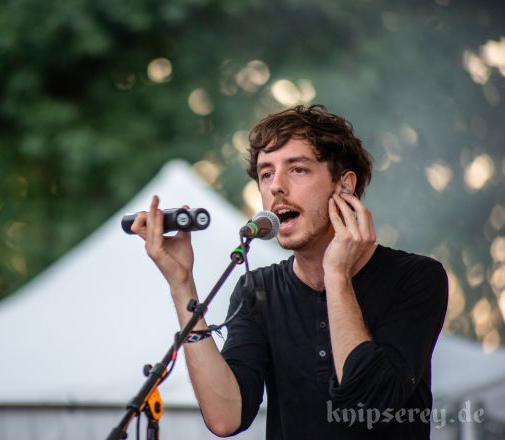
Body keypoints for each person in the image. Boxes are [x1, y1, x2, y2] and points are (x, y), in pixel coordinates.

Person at [130, 104, 448, 439]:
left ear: (344, 186)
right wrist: (182, 284)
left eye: (297, 169)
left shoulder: (417, 277)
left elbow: (367, 401)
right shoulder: (258, 288)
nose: (276, 186)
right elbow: (225, 418)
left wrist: (336, 275)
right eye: (266, 174)